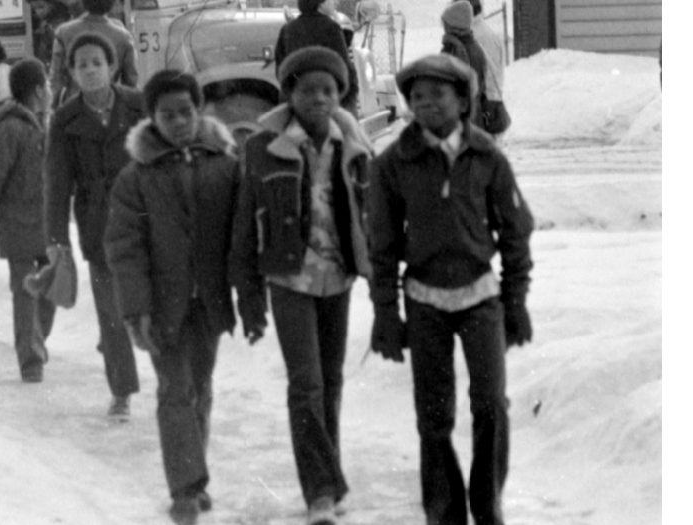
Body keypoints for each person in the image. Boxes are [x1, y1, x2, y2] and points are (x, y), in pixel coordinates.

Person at [366, 54, 536, 525]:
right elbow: (382, 245)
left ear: (463, 99)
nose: (427, 105)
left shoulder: (487, 156)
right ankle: (443, 511)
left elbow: (515, 230)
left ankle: (488, 503)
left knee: (491, 405)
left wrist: (515, 300)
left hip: (481, 297)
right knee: (433, 417)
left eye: (438, 95)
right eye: (417, 97)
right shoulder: (392, 164)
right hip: (424, 302)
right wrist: (385, 313)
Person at [231, 47, 374, 525]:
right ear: (289, 93)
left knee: (330, 382)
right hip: (289, 277)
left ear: (341, 95)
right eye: (307, 89)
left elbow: (369, 216)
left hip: (338, 278)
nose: (319, 98)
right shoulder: (262, 146)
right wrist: (249, 297)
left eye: (329, 90)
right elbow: (243, 226)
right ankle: (319, 491)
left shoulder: (354, 146)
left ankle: (327, 480)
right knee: (306, 383)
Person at [103, 69, 242, 525]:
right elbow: (125, 247)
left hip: (210, 303)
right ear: (151, 118)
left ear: (199, 110)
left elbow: (239, 232)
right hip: (163, 306)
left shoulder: (224, 163)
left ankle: (193, 475)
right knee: (174, 390)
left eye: (186, 111)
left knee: (199, 389)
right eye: (167, 114)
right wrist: (136, 309)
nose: (179, 121)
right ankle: (185, 487)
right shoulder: (136, 176)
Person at [44, 32, 145, 419]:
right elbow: (56, 183)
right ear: (70, 72)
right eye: (80, 64)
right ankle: (121, 391)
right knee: (111, 312)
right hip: (97, 226)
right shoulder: (66, 120)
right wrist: (56, 238)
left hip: (142, 222)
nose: (89, 70)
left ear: (112, 67)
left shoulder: (138, 106)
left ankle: (122, 346)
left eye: (96, 63)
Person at [0, 58, 56, 383]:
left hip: (45, 227)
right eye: (45, 84)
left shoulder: (44, 124)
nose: (49, 90)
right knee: (26, 293)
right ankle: (30, 360)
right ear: (35, 90)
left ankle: (35, 341)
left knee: (49, 293)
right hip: (18, 226)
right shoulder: (11, 130)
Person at [275, 0, 360, 116]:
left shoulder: (288, 29)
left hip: (296, 103)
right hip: (325, 104)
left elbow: (281, 68)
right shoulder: (330, 27)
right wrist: (350, 98)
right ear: (320, 1)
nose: (336, 2)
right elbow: (343, 67)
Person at [52, 0, 139, 102]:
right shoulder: (123, 37)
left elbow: (56, 78)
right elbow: (131, 82)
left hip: (73, 105)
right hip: (109, 106)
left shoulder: (63, 32)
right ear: (113, 2)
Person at [453, 0, 511, 135]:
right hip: (493, 103)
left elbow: (484, 74)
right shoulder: (489, 32)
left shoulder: (474, 37)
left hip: (484, 106)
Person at [439, 2, 490, 126]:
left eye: (445, 24)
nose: (443, 27)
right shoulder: (476, 48)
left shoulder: (453, 50)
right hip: (476, 117)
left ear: (453, 26)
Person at [25, 0, 72, 67]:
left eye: (41, 7)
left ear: (51, 3)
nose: (38, 12)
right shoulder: (44, 22)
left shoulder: (57, 24)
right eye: (34, 8)